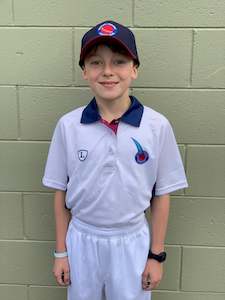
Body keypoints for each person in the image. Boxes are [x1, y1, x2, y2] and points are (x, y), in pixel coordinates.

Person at [42, 20, 188, 300]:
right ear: (85, 71)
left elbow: (162, 194)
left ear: (134, 69)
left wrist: (155, 256)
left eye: (119, 61)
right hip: (82, 239)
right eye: (96, 63)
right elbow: (60, 192)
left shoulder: (156, 126)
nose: (107, 71)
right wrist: (61, 252)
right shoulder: (68, 126)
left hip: (131, 240)